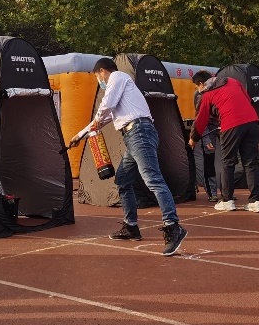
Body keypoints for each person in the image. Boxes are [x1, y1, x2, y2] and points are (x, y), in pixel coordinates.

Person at [69, 58, 188, 255]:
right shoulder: (122, 90)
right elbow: (103, 118)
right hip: (135, 135)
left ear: (102, 71)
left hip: (139, 132)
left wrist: (95, 122)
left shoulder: (117, 76)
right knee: (123, 181)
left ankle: (173, 227)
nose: (99, 81)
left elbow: (106, 106)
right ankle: (131, 226)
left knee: (153, 179)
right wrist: (79, 136)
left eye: (97, 76)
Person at [188, 71, 259, 212]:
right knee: (250, 163)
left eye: (196, 87)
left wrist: (193, 138)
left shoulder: (206, 95)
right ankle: (255, 201)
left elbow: (200, 119)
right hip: (252, 121)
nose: (197, 90)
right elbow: (248, 99)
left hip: (231, 124)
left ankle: (227, 200)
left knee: (227, 162)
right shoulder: (232, 81)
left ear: (201, 84)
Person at [192, 85, 220, 202]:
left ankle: (228, 191)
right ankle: (212, 192)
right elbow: (200, 118)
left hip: (222, 126)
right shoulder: (199, 95)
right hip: (208, 129)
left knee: (228, 160)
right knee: (209, 161)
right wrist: (206, 139)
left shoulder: (219, 91)